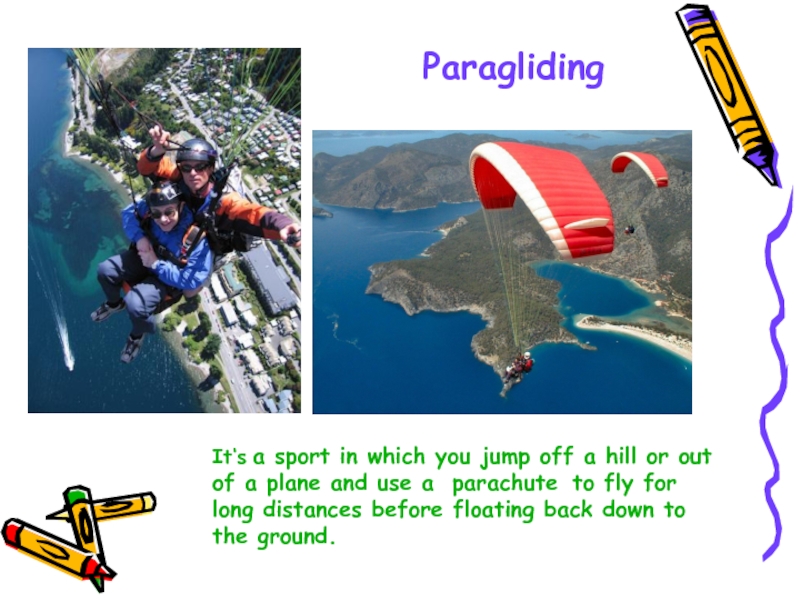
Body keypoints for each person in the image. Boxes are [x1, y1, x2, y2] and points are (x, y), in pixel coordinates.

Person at [91, 180, 213, 363]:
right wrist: (140, 238)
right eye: (156, 213)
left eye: (169, 212)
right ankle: (114, 304)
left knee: (135, 304)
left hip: (166, 280)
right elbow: (128, 213)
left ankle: (136, 336)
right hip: (143, 260)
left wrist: (156, 264)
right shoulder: (149, 207)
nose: (163, 219)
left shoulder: (195, 238)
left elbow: (192, 280)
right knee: (105, 270)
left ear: (181, 207)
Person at [137, 126, 301, 254]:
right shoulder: (178, 176)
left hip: (209, 242)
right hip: (183, 231)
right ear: (181, 168)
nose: (193, 173)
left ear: (210, 169)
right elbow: (146, 168)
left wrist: (282, 225)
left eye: (200, 167)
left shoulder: (224, 201)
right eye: (186, 167)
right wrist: (157, 150)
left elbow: (252, 213)